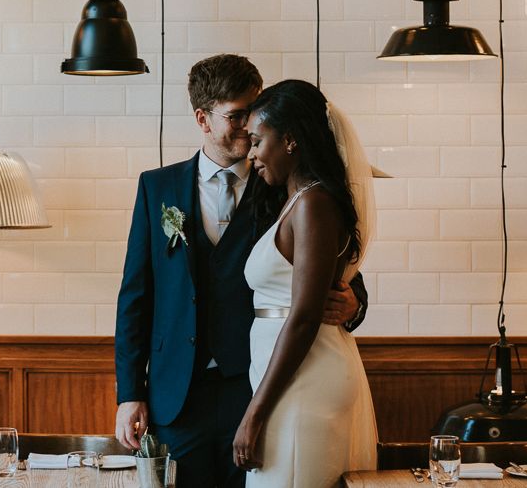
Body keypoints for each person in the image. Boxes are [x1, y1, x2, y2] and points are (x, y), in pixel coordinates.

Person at [114, 55, 369, 488]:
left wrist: (355, 301)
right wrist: (129, 393)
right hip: (178, 393)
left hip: (257, 384)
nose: (248, 128)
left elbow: (333, 263)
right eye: (235, 116)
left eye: (253, 114)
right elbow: (136, 296)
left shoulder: (283, 185)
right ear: (202, 118)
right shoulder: (157, 188)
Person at [232, 79, 378, 487]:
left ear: (290, 140)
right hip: (286, 378)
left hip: (304, 381)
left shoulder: (314, 204)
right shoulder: (296, 202)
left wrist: (254, 413)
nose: (253, 154)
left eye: (258, 141)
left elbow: (302, 317)